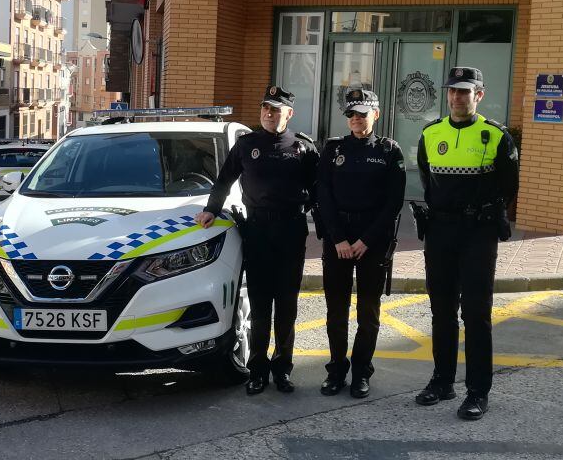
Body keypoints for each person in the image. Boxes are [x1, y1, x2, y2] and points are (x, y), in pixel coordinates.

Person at [195, 86, 319, 395]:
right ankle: (258, 370)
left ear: (288, 114)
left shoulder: (303, 148)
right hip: (258, 230)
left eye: (276, 109)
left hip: (291, 230)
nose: (269, 113)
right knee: (261, 305)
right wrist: (211, 210)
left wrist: (310, 210)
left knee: (287, 305)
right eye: (265, 107)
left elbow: (320, 188)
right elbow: (224, 180)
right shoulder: (246, 145)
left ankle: (283, 370)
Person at [414, 67, 519, 421]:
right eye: (453, 92)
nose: (457, 97)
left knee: (476, 314)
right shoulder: (431, 134)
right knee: (441, 311)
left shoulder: (496, 136)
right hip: (441, 232)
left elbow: (509, 186)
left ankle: (478, 391)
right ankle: (443, 382)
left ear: (479, 95)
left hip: (478, 234)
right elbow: (428, 177)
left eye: (465, 91)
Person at [315, 88, 405, 399]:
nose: (355, 119)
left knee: (369, 310)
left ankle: (361, 371)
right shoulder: (333, 150)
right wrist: (338, 237)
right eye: (351, 114)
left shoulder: (389, 151)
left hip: (372, 241)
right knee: (336, 310)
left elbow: (394, 202)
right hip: (338, 238)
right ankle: (337, 369)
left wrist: (367, 239)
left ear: (375, 115)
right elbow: (322, 195)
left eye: (362, 114)